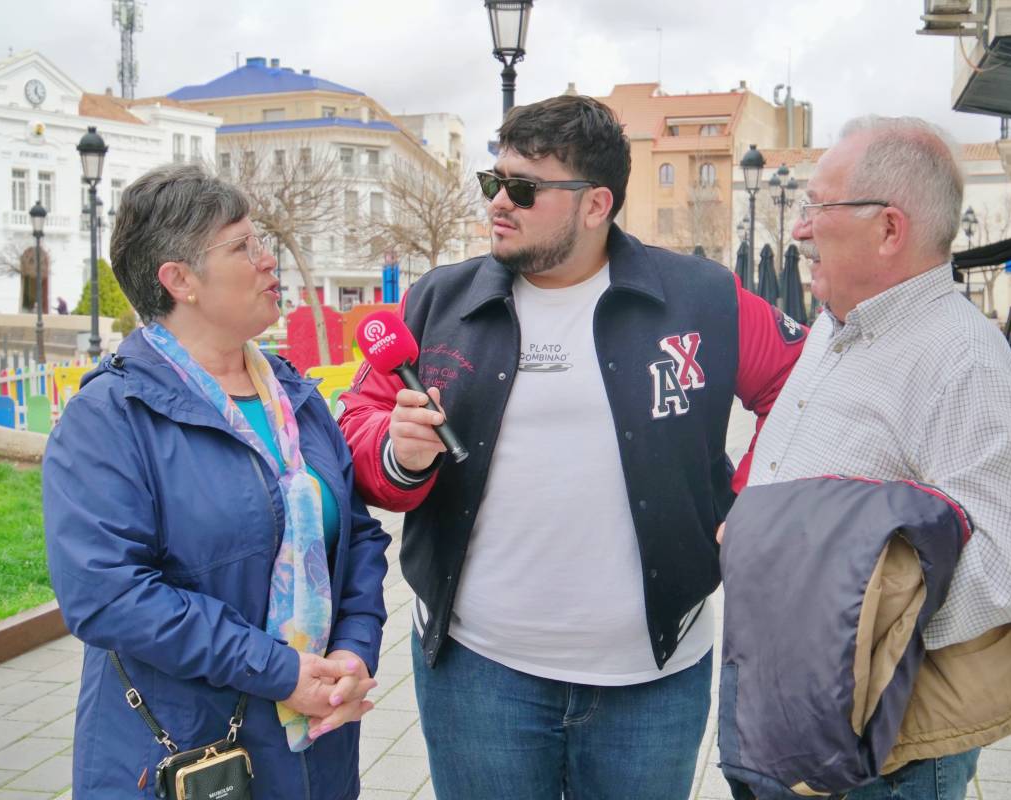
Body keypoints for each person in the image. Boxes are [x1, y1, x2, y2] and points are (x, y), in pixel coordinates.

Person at [338, 94, 804, 799]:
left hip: (654, 675)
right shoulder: (437, 302)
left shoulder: (704, 298)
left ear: (595, 205)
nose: (499, 202)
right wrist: (400, 454)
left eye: (523, 189)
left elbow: (803, 388)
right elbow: (359, 427)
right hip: (477, 673)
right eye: (493, 182)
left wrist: (753, 502)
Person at [724, 116, 1011, 800]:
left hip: (882, 748)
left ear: (888, 230)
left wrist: (856, 650)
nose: (798, 228)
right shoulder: (834, 326)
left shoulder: (962, 357)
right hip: (800, 713)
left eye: (817, 207)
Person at [43, 163, 391, 800]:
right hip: (187, 755)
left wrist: (354, 652)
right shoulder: (112, 416)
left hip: (318, 742)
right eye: (243, 246)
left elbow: (360, 540)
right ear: (179, 281)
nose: (268, 261)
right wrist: (278, 670)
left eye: (261, 243)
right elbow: (106, 593)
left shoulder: (294, 396)